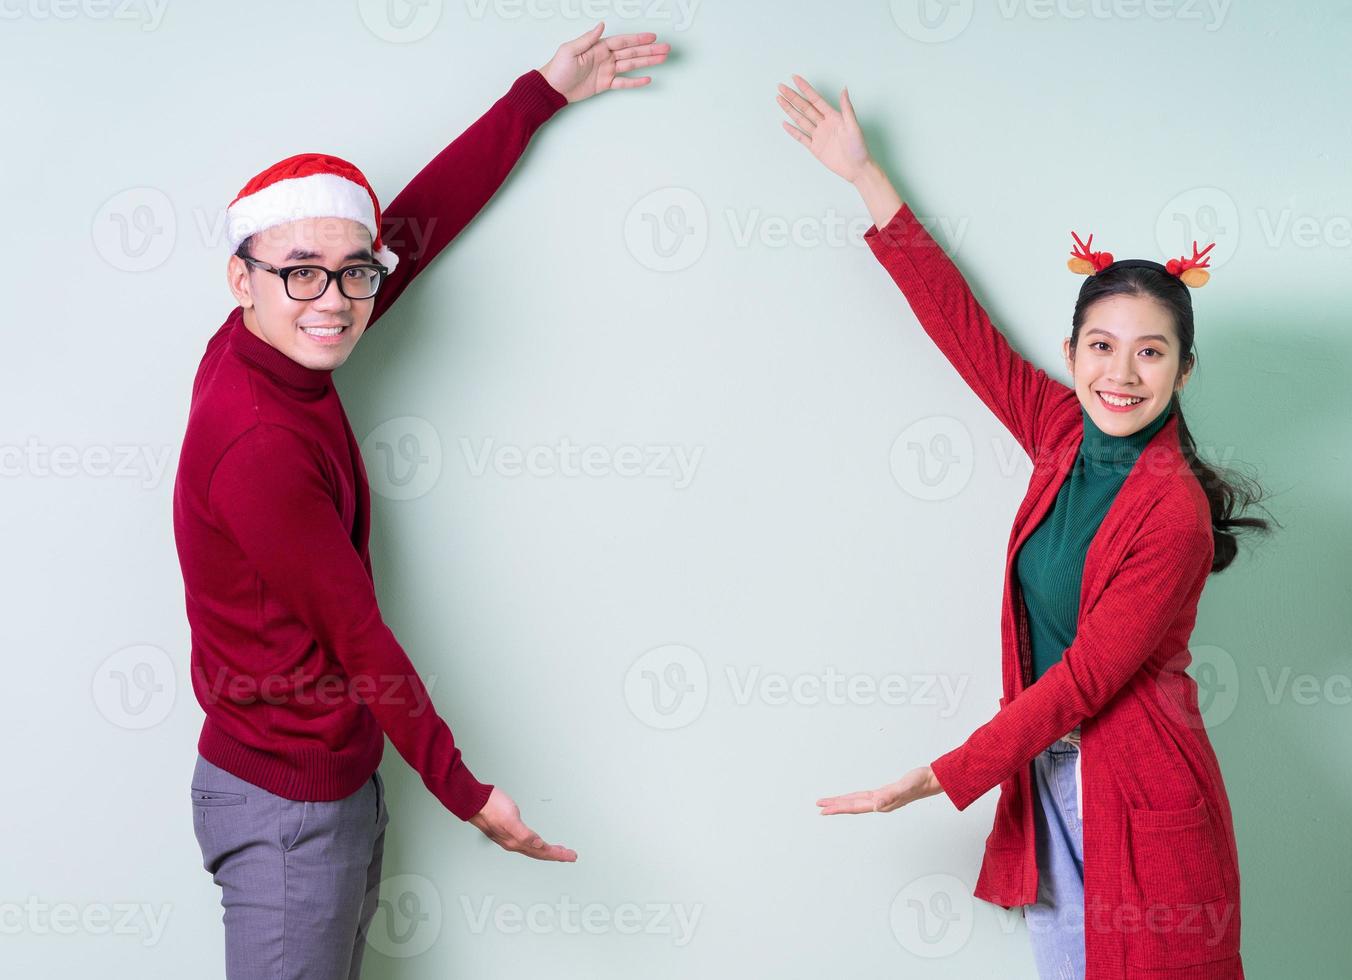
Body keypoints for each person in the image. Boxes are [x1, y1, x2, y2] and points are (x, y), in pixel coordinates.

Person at [173, 24, 669, 979]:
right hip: (286, 809)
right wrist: (471, 797)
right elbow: (361, 636)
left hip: (327, 779)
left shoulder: (259, 341)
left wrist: (540, 96)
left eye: (354, 272)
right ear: (241, 280)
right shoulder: (260, 446)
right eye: (302, 272)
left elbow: (413, 229)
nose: (335, 299)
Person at [779, 74, 1275, 978]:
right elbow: (962, 330)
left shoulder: (1176, 512)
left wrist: (937, 774)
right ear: (1072, 353)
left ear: (1184, 372)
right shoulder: (1058, 431)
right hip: (1046, 781)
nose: (1122, 374)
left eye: (1150, 351)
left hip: (1140, 792)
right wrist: (864, 177)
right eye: (1102, 346)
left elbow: (1085, 678)